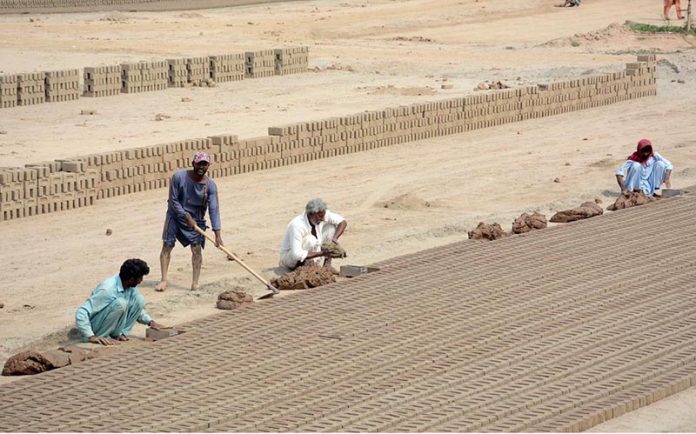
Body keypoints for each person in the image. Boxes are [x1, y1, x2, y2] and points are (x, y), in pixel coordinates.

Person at [155, 151, 224, 291]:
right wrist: (185, 216)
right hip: (175, 216)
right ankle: (163, 279)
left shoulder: (210, 186)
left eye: (205, 165)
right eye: (199, 164)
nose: (201, 167)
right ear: (193, 163)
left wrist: (217, 234)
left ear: (208, 166)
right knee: (167, 246)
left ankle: (195, 283)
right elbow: (173, 201)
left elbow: (214, 209)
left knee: (197, 250)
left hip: (196, 221)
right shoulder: (178, 177)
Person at [75, 259, 166, 346]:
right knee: (121, 303)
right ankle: (102, 335)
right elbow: (81, 312)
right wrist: (91, 336)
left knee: (139, 299)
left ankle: (118, 334)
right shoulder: (107, 289)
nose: (141, 280)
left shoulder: (130, 287)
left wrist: (150, 322)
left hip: (112, 323)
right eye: (140, 278)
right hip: (96, 327)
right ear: (131, 279)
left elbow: (137, 307)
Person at [279, 198, 347, 273]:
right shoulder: (297, 225)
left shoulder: (321, 214)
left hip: (311, 250)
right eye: (320, 217)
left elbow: (342, 222)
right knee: (310, 240)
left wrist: (334, 239)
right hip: (290, 258)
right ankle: (301, 270)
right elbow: (296, 254)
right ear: (311, 214)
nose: (323, 219)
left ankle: (327, 266)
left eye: (323, 216)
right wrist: (322, 253)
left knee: (330, 228)